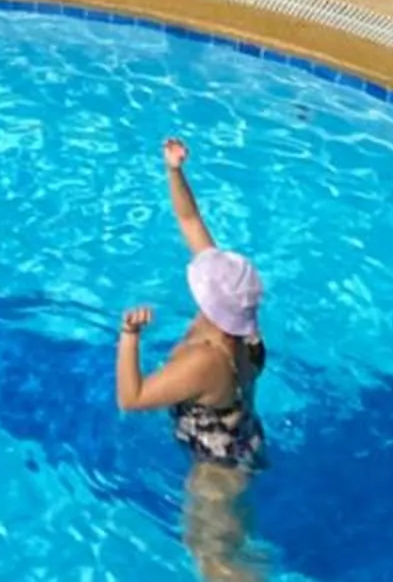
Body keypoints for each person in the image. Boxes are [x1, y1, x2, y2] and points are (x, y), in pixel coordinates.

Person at [116, 137, 267, 582]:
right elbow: (190, 219)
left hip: (217, 470)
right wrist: (174, 171)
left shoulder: (206, 359)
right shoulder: (240, 328)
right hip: (239, 443)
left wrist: (128, 337)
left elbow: (132, 396)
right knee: (227, 548)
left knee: (214, 559)